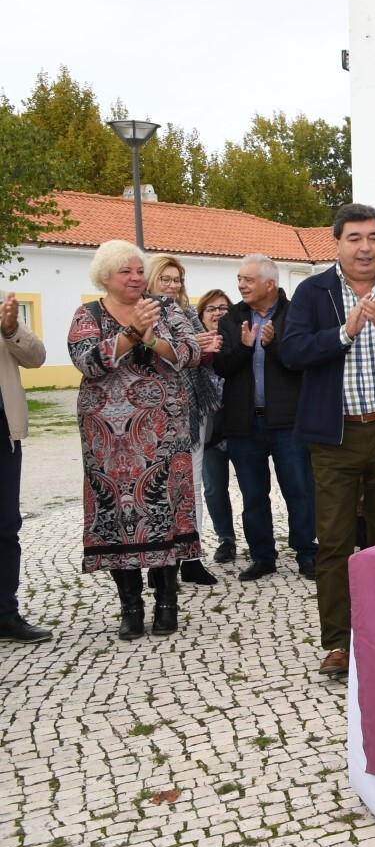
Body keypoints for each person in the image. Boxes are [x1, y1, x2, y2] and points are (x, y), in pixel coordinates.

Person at [280, 204, 375, 678]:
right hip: (335, 438)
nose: (365, 247)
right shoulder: (313, 291)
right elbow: (292, 351)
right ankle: (337, 643)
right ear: (338, 243)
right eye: (354, 238)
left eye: (373, 237)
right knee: (334, 541)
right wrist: (344, 333)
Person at [68, 241, 202, 640]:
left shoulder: (167, 308)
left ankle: (166, 602)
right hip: (107, 439)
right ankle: (130, 606)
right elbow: (85, 361)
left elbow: (191, 351)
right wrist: (128, 335)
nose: (135, 278)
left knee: (164, 509)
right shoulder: (87, 315)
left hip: (163, 433)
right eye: (126, 271)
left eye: (139, 270)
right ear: (106, 276)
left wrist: (150, 338)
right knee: (116, 518)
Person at [211, 255, 319, 581]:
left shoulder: (296, 314)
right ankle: (262, 556)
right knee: (253, 495)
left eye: (248, 279)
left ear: (269, 284)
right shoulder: (231, 318)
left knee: (299, 489)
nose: (241, 285)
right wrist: (245, 348)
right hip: (244, 422)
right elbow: (221, 367)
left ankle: (307, 553)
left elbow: (302, 362)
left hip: (289, 421)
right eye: (239, 279)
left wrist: (271, 345)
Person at [146, 254, 223, 585]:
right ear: (151, 280)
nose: (173, 285)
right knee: (158, 491)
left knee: (191, 487)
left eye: (177, 279)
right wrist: (187, 346)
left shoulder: (188, 312)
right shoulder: (142, 315)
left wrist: (205, 347)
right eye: (166, 279)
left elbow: (200, 361)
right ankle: (160, 563)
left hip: (191, 410)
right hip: (154, 416)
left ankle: (191, 558)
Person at [0, 292, 49, 643]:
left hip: (3, 432)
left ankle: (5, 613)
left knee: (5, 527)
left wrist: (11, 327)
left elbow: (37, 357)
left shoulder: (4, 305)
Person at [193, 289, 238, 568]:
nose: (218, 313)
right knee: (213, 488)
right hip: (209, 429)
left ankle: (262, 538)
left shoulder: (238, 341)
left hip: (239, 425)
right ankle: (226, 538)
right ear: (201, 316)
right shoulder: (194, 345)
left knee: (252, 486)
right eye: (211, 309)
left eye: (223, 308)